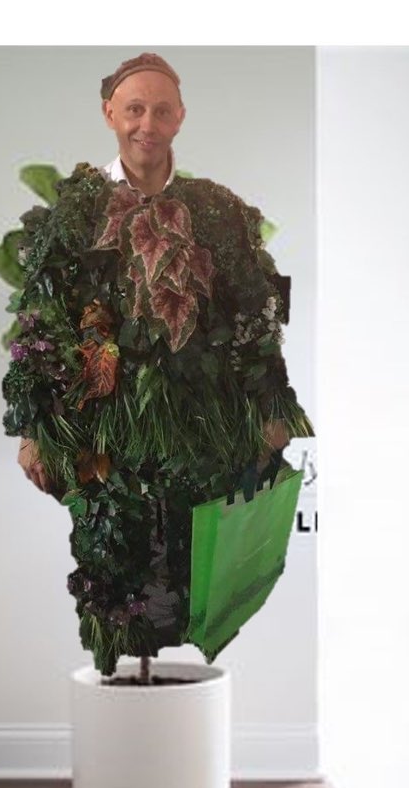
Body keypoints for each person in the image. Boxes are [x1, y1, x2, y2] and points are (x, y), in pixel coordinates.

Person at [18, 52, 290, 492]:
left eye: (162, 112)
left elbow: (257, 308)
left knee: (198, 534)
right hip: (106, 439)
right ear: (110, 113)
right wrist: (33, 430)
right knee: (115, 529)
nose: (148, 125)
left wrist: (274, 410)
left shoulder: (215, 207)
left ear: (179, 118)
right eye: (135, 109)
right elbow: (41, 317)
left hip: (206, 432)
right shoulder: (77, 209)